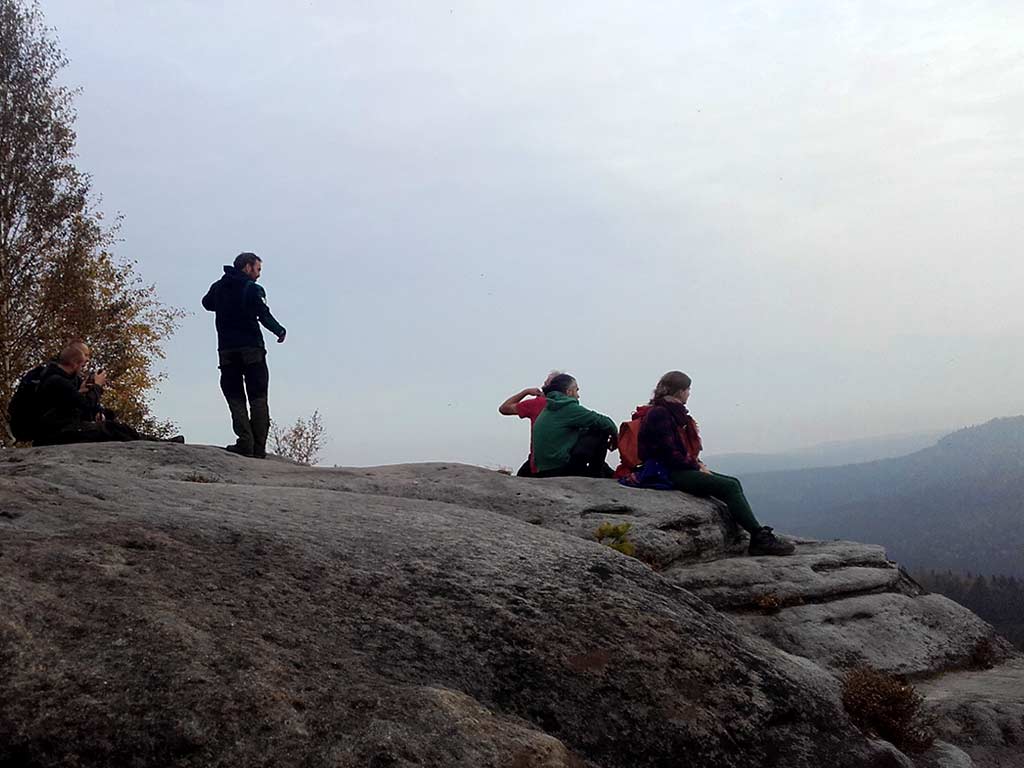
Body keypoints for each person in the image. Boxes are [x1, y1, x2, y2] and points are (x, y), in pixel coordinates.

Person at [637, 370, 794, 556]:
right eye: (687, 389)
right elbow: (669, 454)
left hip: (676, 467)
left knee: (733, 482)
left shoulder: (670, 412)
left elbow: (678, 451)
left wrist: (697, 465)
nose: (689, 394)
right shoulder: (661, 414)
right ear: (679, 391)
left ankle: (757, 534)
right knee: (728, 486)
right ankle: (759, 538)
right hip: (664, 472)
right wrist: (697, 467)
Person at [202, 252, 287, 458]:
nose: (258, 275)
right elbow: (263, 314)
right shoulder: (252, 289)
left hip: (227, 350)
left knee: (234, 396)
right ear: (247, 267)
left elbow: (207, 303)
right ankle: (258, 447)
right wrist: (279, 330)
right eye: (257, 269)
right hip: (252, 349)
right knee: (258, 396)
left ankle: (245, 441)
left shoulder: (219, 286)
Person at [33, 342, 181, 445]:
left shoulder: (60, 379)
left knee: (113, 425)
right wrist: (97, 386)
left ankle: (157, 442)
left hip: (59, 430)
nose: (85, 365)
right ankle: (158, 443)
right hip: (56, 434)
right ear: (74, 363)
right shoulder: (56, 381)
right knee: (112, 429)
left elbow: (74, 405)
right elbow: (85, 405)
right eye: (84, 362)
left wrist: (99, 409)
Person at [531, 374, 618, 478]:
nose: (578, 395)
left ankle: (606, 473)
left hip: (544, 469)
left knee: (588, 428)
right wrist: (616, 438)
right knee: (600, 430)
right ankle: (595, 475)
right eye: (577, 390)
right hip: (561, 469)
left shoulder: (549, 407)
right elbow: (605, 422)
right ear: (569, 392)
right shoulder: (567, 407)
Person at [498, 371, 562, 477]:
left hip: (538, 461)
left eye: (546, 384)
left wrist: (525, 392)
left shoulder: (537, 404)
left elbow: (504, 408)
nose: (542, 387)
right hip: (562, 462)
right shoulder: (570, 407)